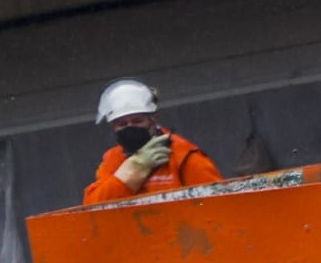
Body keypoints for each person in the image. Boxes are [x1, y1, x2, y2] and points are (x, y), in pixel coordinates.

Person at [82, 79, 224, 205]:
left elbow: (218, 204)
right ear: (113, 126)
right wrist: (133, 169)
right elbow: (93, 207)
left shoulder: (184, 156)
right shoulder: (114, 159)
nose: (130, 127)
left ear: (154, 118)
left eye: (137, 121)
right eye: (121, 124)